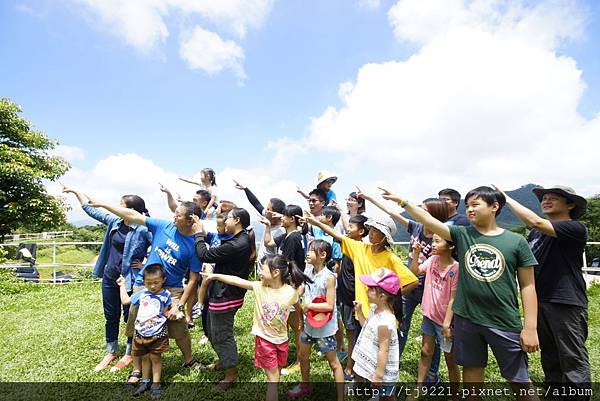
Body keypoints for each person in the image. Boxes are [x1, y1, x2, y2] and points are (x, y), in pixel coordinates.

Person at [381, 186, 540, 401]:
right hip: (467, 319)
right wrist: (403, 202)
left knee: (519, 379)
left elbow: (527, 286)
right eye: (468, 205)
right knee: (471, 376)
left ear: (494, 207)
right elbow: (429, 222)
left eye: (476, 205)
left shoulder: (516, 242)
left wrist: (530, 328)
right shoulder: (462, 234)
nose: (470, 210)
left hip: (503, 320)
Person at [86, 199, 204, 386]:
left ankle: (188, 360)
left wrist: (179, 304)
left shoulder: (195, 245)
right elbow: (132, 215)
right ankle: (137, 369)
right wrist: (102, 204)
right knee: (137, 328)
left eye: (179, 214)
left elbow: (192, 279)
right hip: (145, 284)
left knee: (179, 328)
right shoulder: (163, 225)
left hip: (172, 289)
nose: (174, 216)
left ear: (191, 220)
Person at [496, 184, 590, 400]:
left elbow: (535, 221)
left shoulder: (575, 228)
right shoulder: (537, 234)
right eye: (544, 198)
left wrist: (506, 198)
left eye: (553, 198)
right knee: (549, 355)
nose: (545, 201)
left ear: (570, 204)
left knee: (572, 358)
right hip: (540, 301)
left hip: (565, 302)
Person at [357, 189, 449, 384]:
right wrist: (370, 198)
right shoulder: (416, 227)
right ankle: (391, 362)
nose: (417, 212)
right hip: (407, 287)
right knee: (399, 325)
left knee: (432, 332)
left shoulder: (443, 235)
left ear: (434, 214)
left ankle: (432, 373)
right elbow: (392, 216)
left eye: (422, 209)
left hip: (430, 290)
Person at [62, 185, 152, 372]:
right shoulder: (115, 222)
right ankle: (111, 351)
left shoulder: (144, 227)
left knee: (130, 317)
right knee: (111, 316)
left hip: (131, 280)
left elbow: (159, 247)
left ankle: (129, 353)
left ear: (131, 210)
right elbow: (91, 210)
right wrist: (76, 192)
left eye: (121, 205)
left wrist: (145, 266)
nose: (117, 208)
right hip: (110, 276)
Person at [202, 255, 310, 401]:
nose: (259, 271)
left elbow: (297, 306)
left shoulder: (289, 292)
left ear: (276, 272)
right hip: (265, 341)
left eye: (263, 268)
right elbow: (237, 281)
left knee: (276, 375)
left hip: (282, 341)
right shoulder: (260, 288)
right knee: (273, 380)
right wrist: (215, 276)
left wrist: (301, 322)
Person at [302, 212, 419, 320]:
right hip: (361, 313)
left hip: (381, 315)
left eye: (375, 231)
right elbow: (337, 235)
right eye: (371, 229)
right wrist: (317, 223)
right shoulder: (359, 248)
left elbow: (412, 282)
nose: (371, 233)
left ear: (384, 236)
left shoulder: (390, 258)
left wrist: (390, 297)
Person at [192, 208, 256, 390]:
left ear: (236, 220)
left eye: (226, 219)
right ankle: (223, 360)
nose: (224, 222)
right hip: (223, 294)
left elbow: (204, 254)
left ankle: (230, 376)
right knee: (212, 331)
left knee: (222, 335)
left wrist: (198, 234)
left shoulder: (235, 245)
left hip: (225, 297)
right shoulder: (238, 240)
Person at [287, 240, 345, 401]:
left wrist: (308, 305)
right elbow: (303, 290)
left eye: (311, 250)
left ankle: (341, 396)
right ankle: (305, 385)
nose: (307, 253)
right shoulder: (309, 271)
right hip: (308, 326)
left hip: (324, 328)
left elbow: (329, 306)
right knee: (303, 356)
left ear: (322, 255)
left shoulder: (329, 277)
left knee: (333, 363)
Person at [409, 236, 460, 399]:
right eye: (433, 241)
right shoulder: (432, 260)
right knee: (425, 352)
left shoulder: (455, 268)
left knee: (450, 361)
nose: (433, 244)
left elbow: (454, 297)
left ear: (451, 246)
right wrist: (416, 254)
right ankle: (419, 387)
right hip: (429, 316)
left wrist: (446, 324)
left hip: (445, 322)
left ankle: (454, 395)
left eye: (438, 241)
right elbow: (414, 272)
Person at [117, 264, 176, 398]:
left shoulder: (166, 295)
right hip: (140, 333)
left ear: (163, 280)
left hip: (157, 334)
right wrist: (122, 285)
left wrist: (176, 312)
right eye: (149, 283)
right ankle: (145, 381)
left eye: (156, 282)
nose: (153, 286)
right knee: (144, 358)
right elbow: (125, 300)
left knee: (155, 358)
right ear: (144, 282)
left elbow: (166, 312)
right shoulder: (142, 293)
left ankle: (156, 384)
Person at [261, 204, 306, 376]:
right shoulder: (287, 236)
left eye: (285, 216)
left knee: (297, 326)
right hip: (286, 286)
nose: (281, 218)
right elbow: (268, 242)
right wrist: (266, 226)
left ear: (292, 219)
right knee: (286, 322)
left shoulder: (294, 238)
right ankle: (285, 357)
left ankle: (300, 361)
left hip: (291, 286)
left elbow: (285, 264)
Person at [352, 268, 402, 401]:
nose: (367, 291)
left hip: (383, 373)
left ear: (382, 296)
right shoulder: (375, 310)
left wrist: (379, 375)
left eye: (370, 288)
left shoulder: (385, 321)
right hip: (377, 367)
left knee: (387, 397)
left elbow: (383, 350)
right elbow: (367, 328)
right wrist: (360, 313)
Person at [337, 214, 368, 380]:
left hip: (352, 298)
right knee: (352, 333)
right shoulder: (351, 244)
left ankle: (351, 367)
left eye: (351, 227)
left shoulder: (357, 247)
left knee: (353, 334)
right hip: (346, 296)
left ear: (361, 231)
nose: (348, 229)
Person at [233, 178, 287, 269]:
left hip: (271, 271)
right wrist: (245, 189)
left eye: (268, 210)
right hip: (263, 270)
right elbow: (256, 203)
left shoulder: (280, 231)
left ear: (275, 214)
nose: (265, 211)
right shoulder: (269, 220)